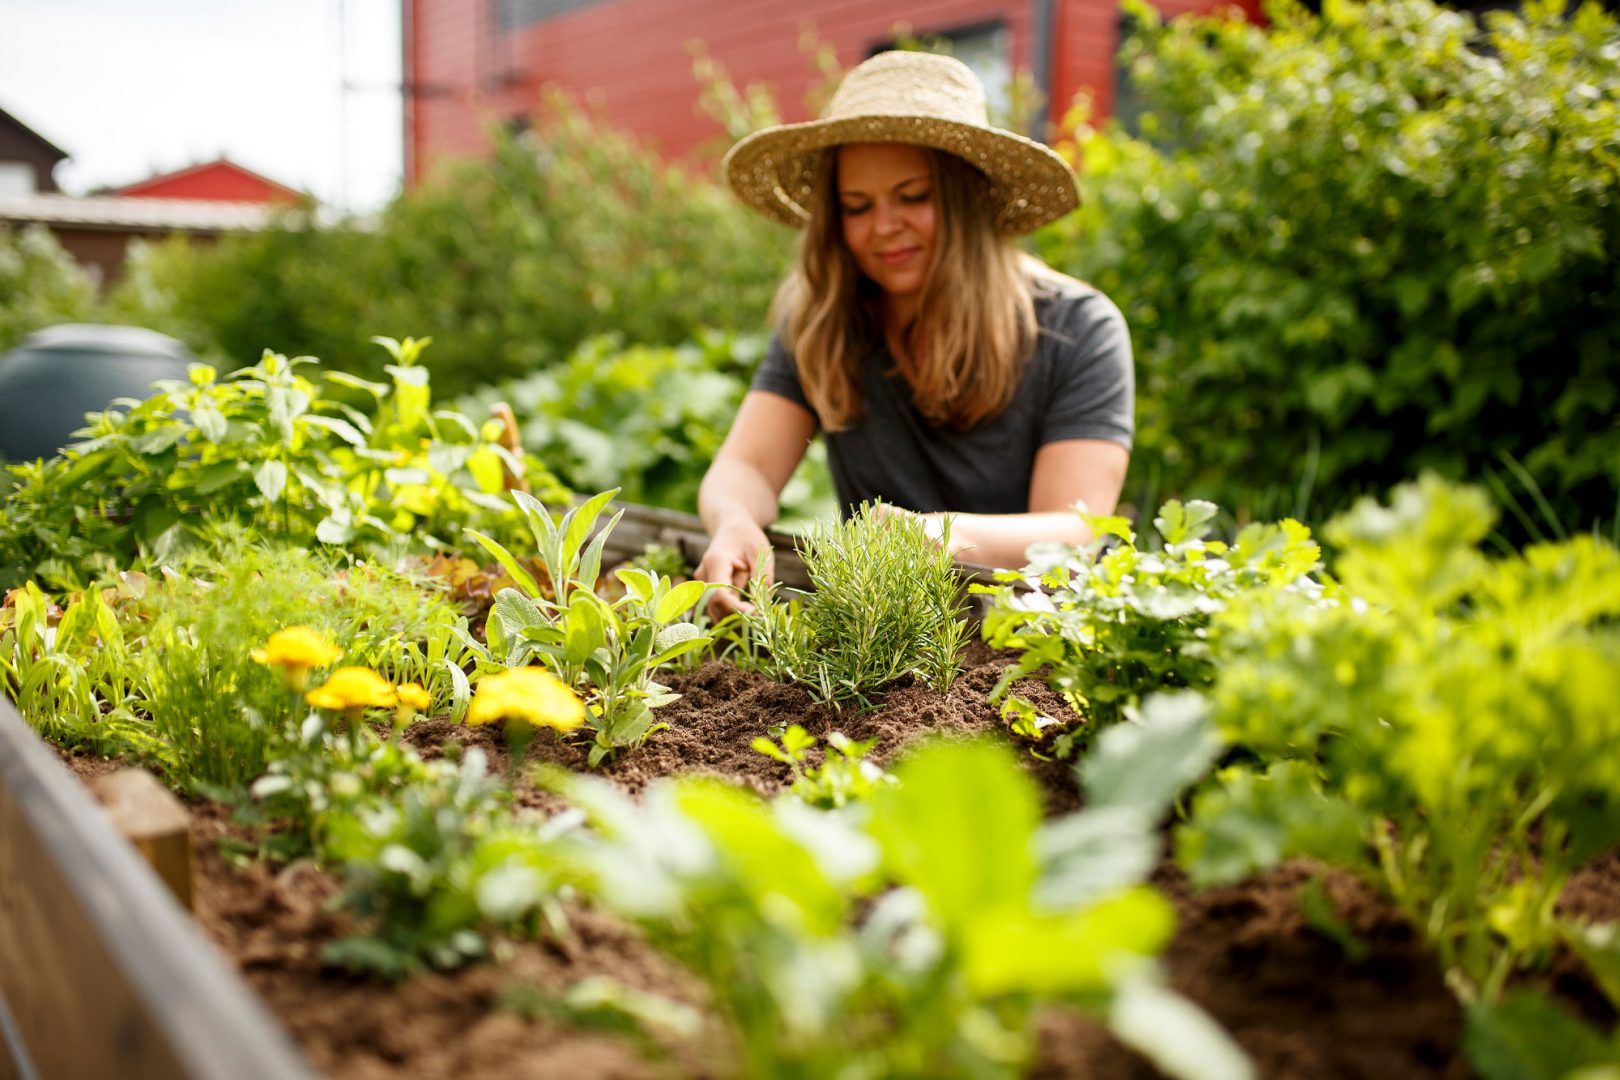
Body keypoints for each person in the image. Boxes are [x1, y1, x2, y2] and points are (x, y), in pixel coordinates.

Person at [696, 49, 1134, 615]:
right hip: (875, 642)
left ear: (967, 198)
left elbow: (1074, 531)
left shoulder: (1077, 329)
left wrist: (936, 537)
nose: (884, 228)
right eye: (857, 206)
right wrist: (734, 521)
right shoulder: (826, 320)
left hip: (1032, 643)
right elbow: (746, 466)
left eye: (913, 197)